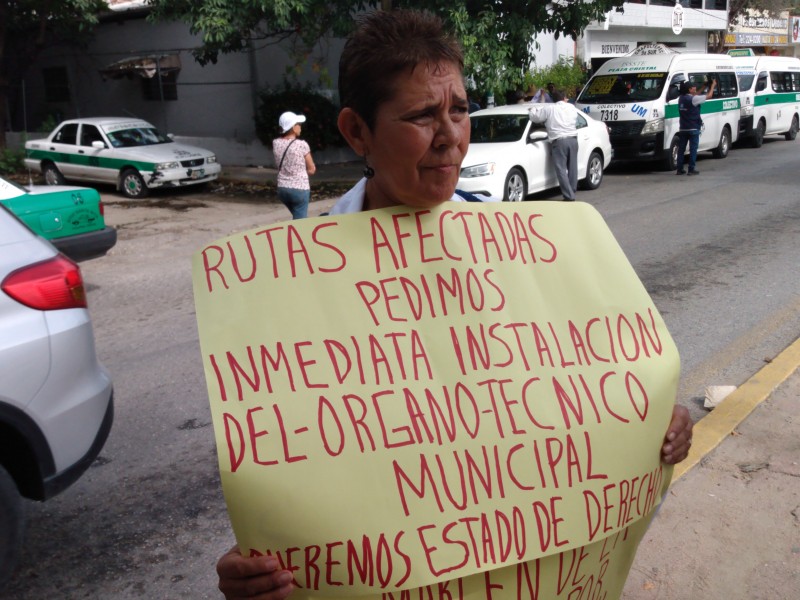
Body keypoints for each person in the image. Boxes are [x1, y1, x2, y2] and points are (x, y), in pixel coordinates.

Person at [216, 10, 694, 599]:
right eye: (421, 115)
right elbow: (291, 486)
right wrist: (257, 574)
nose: (451, 136)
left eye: (460, 110)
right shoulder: (293, 293)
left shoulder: (527, 253)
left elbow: (582, 410)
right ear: (356, 131)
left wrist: (655, 432)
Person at [528, 89, 580, 201]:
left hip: (559, 141)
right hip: (573, 139)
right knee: (572, 168)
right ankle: (572, 190)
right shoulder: (571, 107)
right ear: (564, 97)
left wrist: (532, 110)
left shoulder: (549, 108)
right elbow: (575, 119)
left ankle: (569, 195)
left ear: (553, 99)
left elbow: (535, 118)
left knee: (561, 169)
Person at [272, 111, 316, 219]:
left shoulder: (276, 143)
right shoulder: (302, 145)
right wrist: (300, 174)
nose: (300, 127)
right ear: (293, 127)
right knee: (300, 223)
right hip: (299, 190)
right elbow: (312, 169)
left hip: (282, 189)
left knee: (297, 216)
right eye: (299, 124)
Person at [676, 78, 716, 176]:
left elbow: (696, 94)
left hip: (683, 128)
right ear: (689, 90)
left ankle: (679, 169)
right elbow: (709, 96)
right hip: (693, 127)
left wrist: (704, 86)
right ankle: (691, 169)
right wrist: (712, 86)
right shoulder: (694, 99)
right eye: (693, 87)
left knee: (681, 150)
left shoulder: (681, 98)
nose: (695, 88)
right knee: (693, 149)